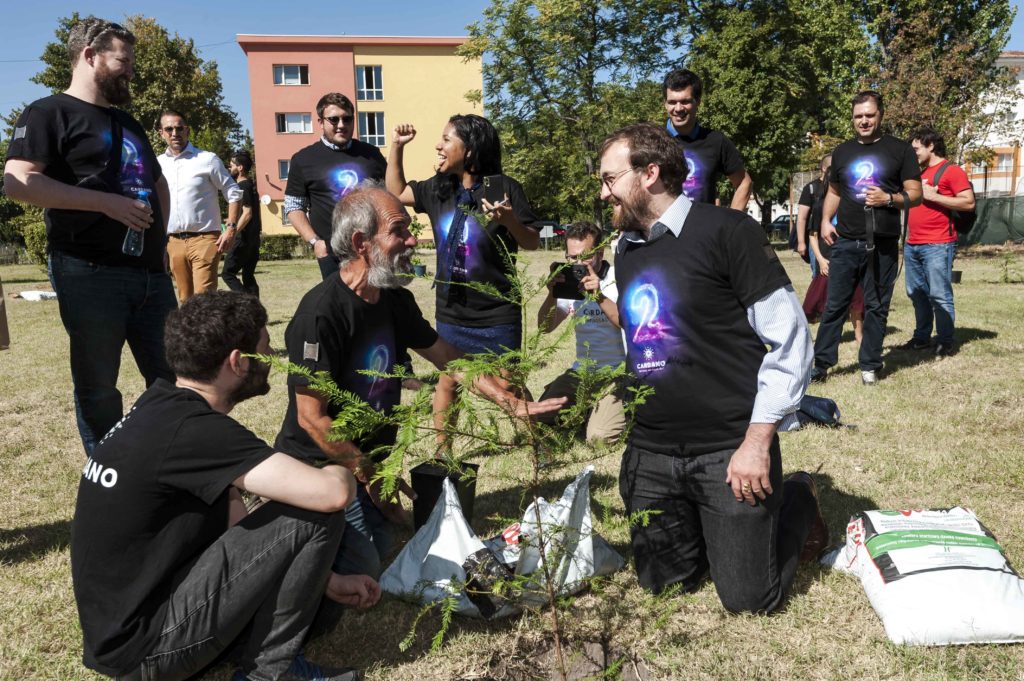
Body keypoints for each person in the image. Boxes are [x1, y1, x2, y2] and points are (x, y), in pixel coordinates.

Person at [72, 290, 376, 681]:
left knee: (320, 606)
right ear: (238, 361)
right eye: (266, 350)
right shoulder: (196, 431)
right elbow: (331, 495)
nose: (273, 361)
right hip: (145, 653)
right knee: (315, 514)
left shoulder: (160, 404)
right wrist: (343, 469)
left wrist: (325, 581)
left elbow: (236, 526)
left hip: (129, 632)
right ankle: (268, 675)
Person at [275, 181, 563, 578]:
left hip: (368, 466)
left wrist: (510, 402)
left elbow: (450, 359)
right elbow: (312, 419)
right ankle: (287, 514)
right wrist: (373, 476)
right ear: (361, 242)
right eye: (399, 231)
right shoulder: (320, 314)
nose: (413, 240)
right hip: (320, 466)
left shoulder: (393, 299)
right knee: (366, 563)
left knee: (383, 545)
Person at [599, 122, 826, 613]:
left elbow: (788, 339)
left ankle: (799, 497)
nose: (603, 193)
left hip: (728, 450)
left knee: (748, 599)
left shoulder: (728, 232)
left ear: (649, 174)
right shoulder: (627, 249)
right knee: (665, 584)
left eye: (609, 179)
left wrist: (757, 442)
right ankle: (708, 525)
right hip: (653, 452)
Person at [3, 17, 177, 454]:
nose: (132, 71)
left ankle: (170, 466)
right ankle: (109, 477)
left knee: (177, 377)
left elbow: (158, 184)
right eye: (124, 60)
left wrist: (161, 245)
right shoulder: (47, 113)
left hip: (150, 275)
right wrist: (106, 204)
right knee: (100, 387)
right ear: (90, 55)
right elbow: (18, 182)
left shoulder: (129, 122)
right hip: (88, 272)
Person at [385, 115, 541, 450]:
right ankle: (444, 453)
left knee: (507, 384)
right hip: (452, 310)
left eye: (446, 140)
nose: (439, 146)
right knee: (449, 382)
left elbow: (532, 242)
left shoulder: (505, 188)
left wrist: (510, 220)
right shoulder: (439, 188)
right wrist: (396, 148)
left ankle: (538, 444)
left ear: (469, 150)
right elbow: (396, 192)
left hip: (496, 309)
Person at [810, 91, 922, 385]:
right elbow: (834, 191)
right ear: (853, 118)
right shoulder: (843, 152)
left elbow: (916, 195)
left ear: (880, 115)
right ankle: (821, 364)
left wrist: (889, 198)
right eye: (859, 116)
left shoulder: (900, 151)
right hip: (846, 240)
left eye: (869, 115)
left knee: (876, 305)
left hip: (882, 242)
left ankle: (870, 364)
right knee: (835, 305)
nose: (864, 121)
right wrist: (824, 221)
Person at [535, 221, 626, 444]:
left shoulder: (618, 278)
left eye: (584, 257)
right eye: (571, 257)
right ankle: (588, 408)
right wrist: (553, 293)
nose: (578, 264)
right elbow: (545, 327)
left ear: (600, 253)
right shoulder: (571, 282)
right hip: (582, 372)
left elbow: (626, 323)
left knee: (599, 439)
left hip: (618, 373)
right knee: (540, 419)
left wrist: (599, 296)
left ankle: (619, 409)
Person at [285, 92, 386, 280]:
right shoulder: (303, 159)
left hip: (372, 250)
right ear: (320, 122)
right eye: (334, 119)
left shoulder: (372, 155)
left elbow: (387, 199)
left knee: (376, 304)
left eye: (347, 119)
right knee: (340, 306)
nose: (341, 125)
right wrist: (316, 243)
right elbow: (293, 207)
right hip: (331, 255)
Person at [903, 127, 975, 356]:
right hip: (912, 243)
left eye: (916, 149)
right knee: (916, 293)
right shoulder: (920, 172)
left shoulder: (951, 171)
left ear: (930, 145)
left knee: (939, 293)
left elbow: (968, 203)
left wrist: (933, 196)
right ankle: (922, 337)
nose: (912, 153)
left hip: (938, 243)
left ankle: (945, 340)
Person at [158, 110, 242, 304]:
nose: (174, 133)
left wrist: (230, 228)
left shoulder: (207, 159)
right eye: (169, 129)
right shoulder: (158, 164)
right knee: (185, 300)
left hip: (205, 239)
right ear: (161, 133)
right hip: (173, 242)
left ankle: (209, 334)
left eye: (179, 128)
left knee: (204, 299)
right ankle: (191, 335)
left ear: (187, 130)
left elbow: (233, 192)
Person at [662, 68, 753, 210]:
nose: (678, 108)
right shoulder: (652, 140)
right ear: (665, 104)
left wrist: (730, 224)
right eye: (672, 102)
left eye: (685, 101)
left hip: (702, 231)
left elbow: (744, 183)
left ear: (697, 101)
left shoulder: (716, 141)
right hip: (662, 231)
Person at [222, 150, 262, 297]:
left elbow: (247, 213)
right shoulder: (250, 186)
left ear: (240, 168)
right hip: (254, 239)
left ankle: (248, 305)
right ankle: (256, 313)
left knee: (227, 274)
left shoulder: (242, 186)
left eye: (231, 165)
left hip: (243, 240)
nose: (229, 168)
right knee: (248, 275)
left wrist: (232, 233)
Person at [795, 154, 831, 277]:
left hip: (834, 238)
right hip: (815, 238)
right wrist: (801, 242)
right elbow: (801, 218)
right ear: (824, 168)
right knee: (819, 274)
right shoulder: (811, 188)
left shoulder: (839, 187)